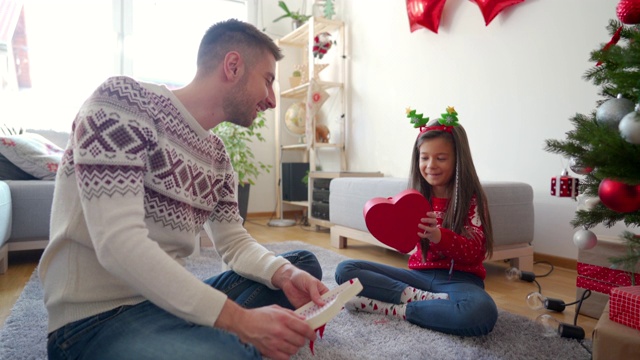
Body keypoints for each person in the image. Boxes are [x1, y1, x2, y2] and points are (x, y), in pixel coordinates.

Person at [38, 19, 330, 360]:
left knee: (300, 269)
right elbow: (119, 244)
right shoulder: (122, 104)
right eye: (268, 81)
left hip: (166, 305)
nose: (272, 101)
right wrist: (243, 322)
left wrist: (284, 273)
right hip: (93, 323)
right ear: (233, 66)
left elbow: (234, 243)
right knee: (232, 354)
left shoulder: (218, 156)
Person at [334, 107, 498, 337]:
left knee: (481, 312)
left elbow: (474, 252)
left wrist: (439, 236)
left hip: (459, 282)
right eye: (425, 157)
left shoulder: (473, 199)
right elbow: (404, 243)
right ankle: (424, 302)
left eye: (441, 158)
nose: (431, 165)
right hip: (417, 279)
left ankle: (394, 309)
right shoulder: (415, 198)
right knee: (345, 270)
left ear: (458, 160)